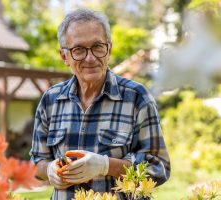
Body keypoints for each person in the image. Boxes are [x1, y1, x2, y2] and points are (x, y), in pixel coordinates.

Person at [30, 8, 170, 200]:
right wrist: (49, 170)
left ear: (109, 49)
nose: (90, 58)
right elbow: (36, 162)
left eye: (97, 46)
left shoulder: (137, 97)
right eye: (78, 49)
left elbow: (159, 168)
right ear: (64, 56)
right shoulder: (50, 101)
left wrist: (105, 166)